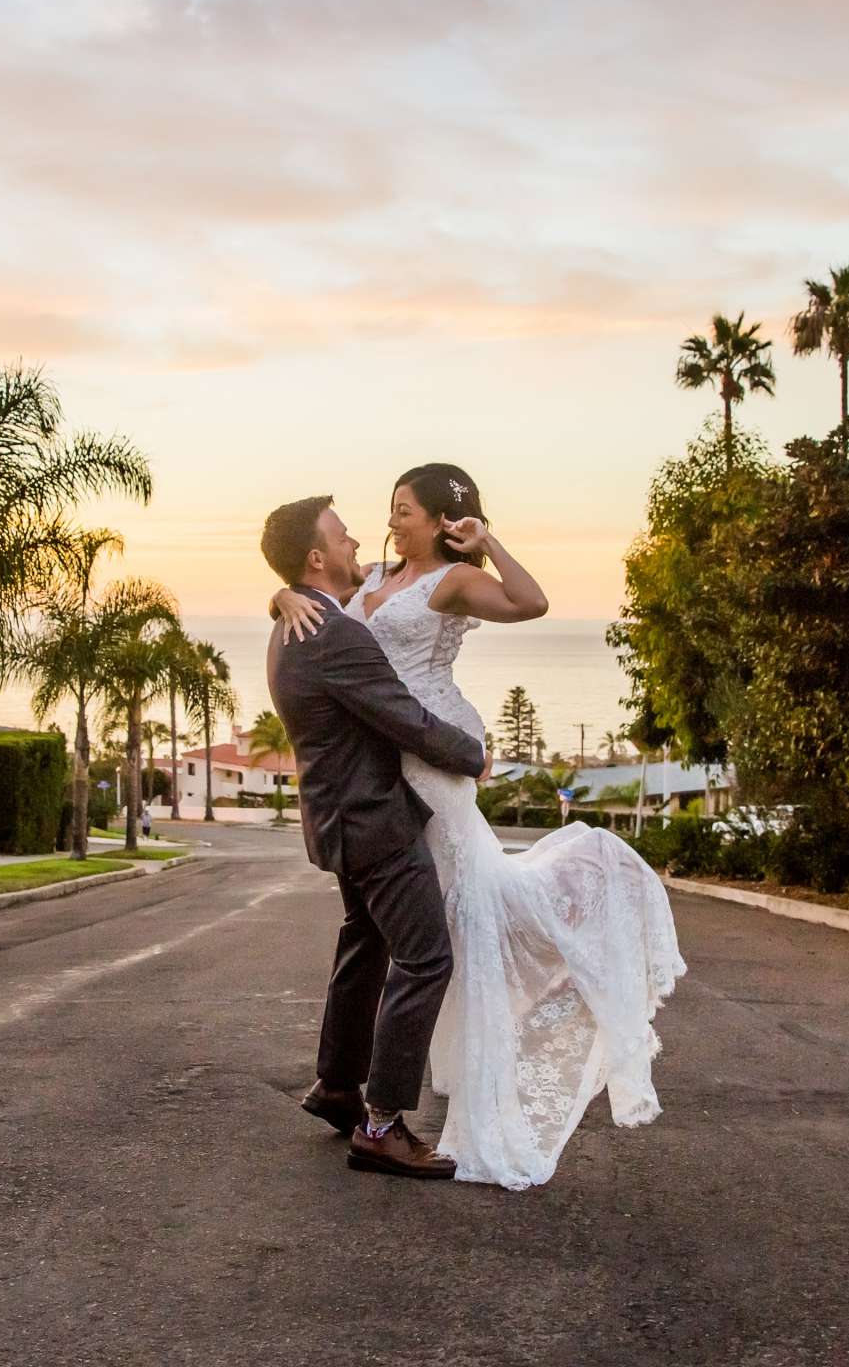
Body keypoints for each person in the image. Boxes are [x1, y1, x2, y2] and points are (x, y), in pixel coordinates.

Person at [273, 463, 685, 1189]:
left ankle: (362, 1099)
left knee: (428, 927)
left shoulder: (449, 581)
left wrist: (487, 541)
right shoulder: (364, 582)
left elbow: (531, 601)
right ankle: (360, 1105)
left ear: (439, 520)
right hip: (392, 765)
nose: (385, 522)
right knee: (402, 938)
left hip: (424, 760)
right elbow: (317, 592)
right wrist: (283, 595)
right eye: (385, 509)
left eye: (403, 510)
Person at [262, 494, 491, 1179]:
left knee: (365, 944)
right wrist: (474, 754)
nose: (356, 539)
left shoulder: (297, 622)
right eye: (341, 534)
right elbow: (404, 720)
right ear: (316, 557)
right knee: (425, 960)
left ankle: (336, 1085)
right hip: (373, 822)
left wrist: (278, 595)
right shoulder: (331, 632)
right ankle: (383, 1123)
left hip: (337, 820)